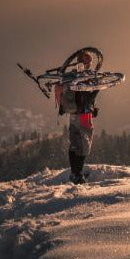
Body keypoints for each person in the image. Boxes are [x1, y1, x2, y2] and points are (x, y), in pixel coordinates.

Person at [53, 51, 100, 184]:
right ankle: (78, 175)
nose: (90, 63)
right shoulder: (86, 77)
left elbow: (81, 96)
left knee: (74, 144)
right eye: (89, 61)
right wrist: (95, 94)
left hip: (73, 115)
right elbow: (87, 96)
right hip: (84, 115)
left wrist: (93, 107)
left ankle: (75, 173)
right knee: (84, 145)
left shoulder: (71, 76)